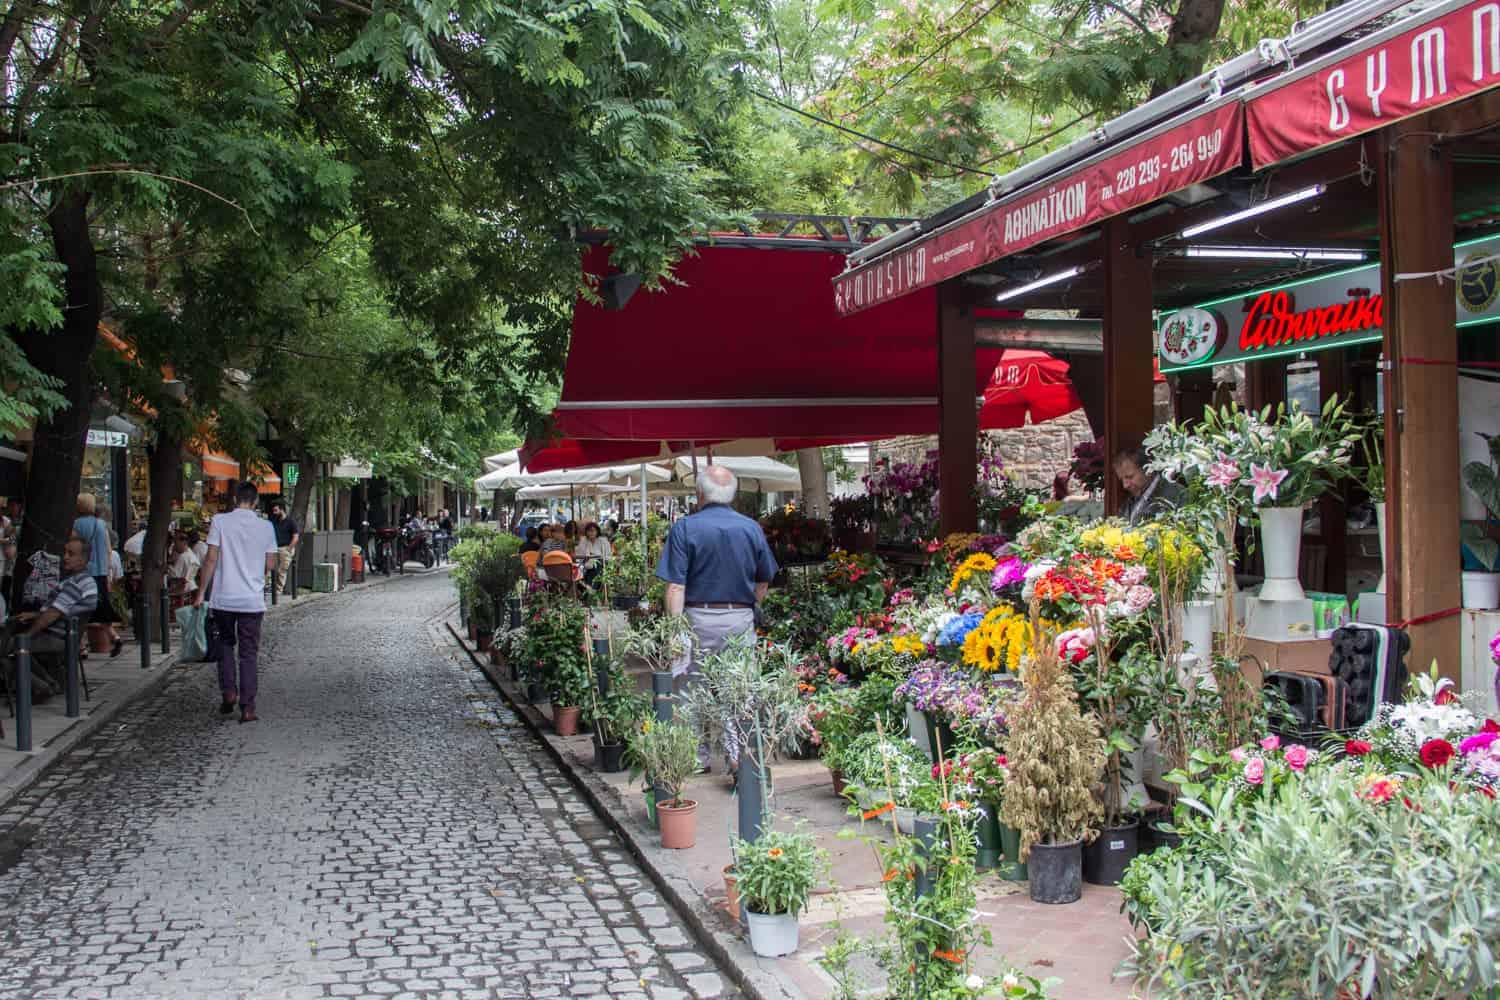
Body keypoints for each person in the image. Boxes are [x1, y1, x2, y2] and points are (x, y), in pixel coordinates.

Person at [656, 465, 779, 772]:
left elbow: (675, 586)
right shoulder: (751, 528)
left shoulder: (684, 528)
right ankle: (737, 756)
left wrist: (674, 631)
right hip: (739, 617)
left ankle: (696, 758)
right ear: (733, 494)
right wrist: (749, 607)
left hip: (698, 617)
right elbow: (764, 580)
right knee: (738, 690)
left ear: (699, 494)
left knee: (690, 689)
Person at [195, 482, 279, 724]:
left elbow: (211, 558)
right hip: (251, 601)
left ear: (235, 499)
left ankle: (229, 692)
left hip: (223, 598)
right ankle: (248, 707)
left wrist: (201, 592)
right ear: (255, 502)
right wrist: (255, 571)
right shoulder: (266, 527)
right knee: (249, 653)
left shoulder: (220, 522)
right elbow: (271, 564)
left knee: (225, 645)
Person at [20, 538, 98, 698]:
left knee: (11, 648)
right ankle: (49, 683)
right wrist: (35, 615)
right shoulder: (83, 581)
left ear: (83, 559)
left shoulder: (76, 584)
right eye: (65, 552)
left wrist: (27, 635)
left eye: (71, 554)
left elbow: (53, 614)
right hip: (64, 635)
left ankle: (43, 686)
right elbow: (63, 610)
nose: (65, 557)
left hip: (57, 637)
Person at [71, 493, 122, 657]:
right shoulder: (101, 525)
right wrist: (108, 572)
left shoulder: (75, 525)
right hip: (100, 573)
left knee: (78, 608)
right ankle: (114, 637)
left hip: (82, 573)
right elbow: (108, 550)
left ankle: (81, 646)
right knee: (101, 608)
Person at [1114, 446, 1185, 526]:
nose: (1125, 485)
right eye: (1122, 479)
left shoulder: (1177, 495)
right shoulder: (1130, 502)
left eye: (1129, 477)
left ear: (1148, 470)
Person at [268, 501, 300, 596]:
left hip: (285, 548)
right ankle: (272, 588)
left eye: (276, 510)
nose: (274, 512)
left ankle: (278, 591)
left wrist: (289, 549)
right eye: (273, 510)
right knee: (272, 569)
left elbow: (296, 536)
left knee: (282, 570)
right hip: (275, 548)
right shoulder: (274, 521)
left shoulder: (291, 522)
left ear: (282, 510)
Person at [166, 531, 201, 602]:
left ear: (184, 543)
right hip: (191, 587)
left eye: (175, 543)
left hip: (183, 589)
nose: (174, 546)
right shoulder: (190, 554)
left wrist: (168, 566)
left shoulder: (184, 557)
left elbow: (174, 575)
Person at [575, 521, 612, 588]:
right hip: (585, 564)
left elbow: (608, 556)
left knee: (595, 567)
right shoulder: (584, 540)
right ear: (586, 532)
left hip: (601, 564)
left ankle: (591, 588)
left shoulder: (603, 541)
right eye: (589, 531)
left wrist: (596, 558)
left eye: (593, 530)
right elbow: (579, 555)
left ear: (597, 531)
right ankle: (589, 589)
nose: (591, 533)